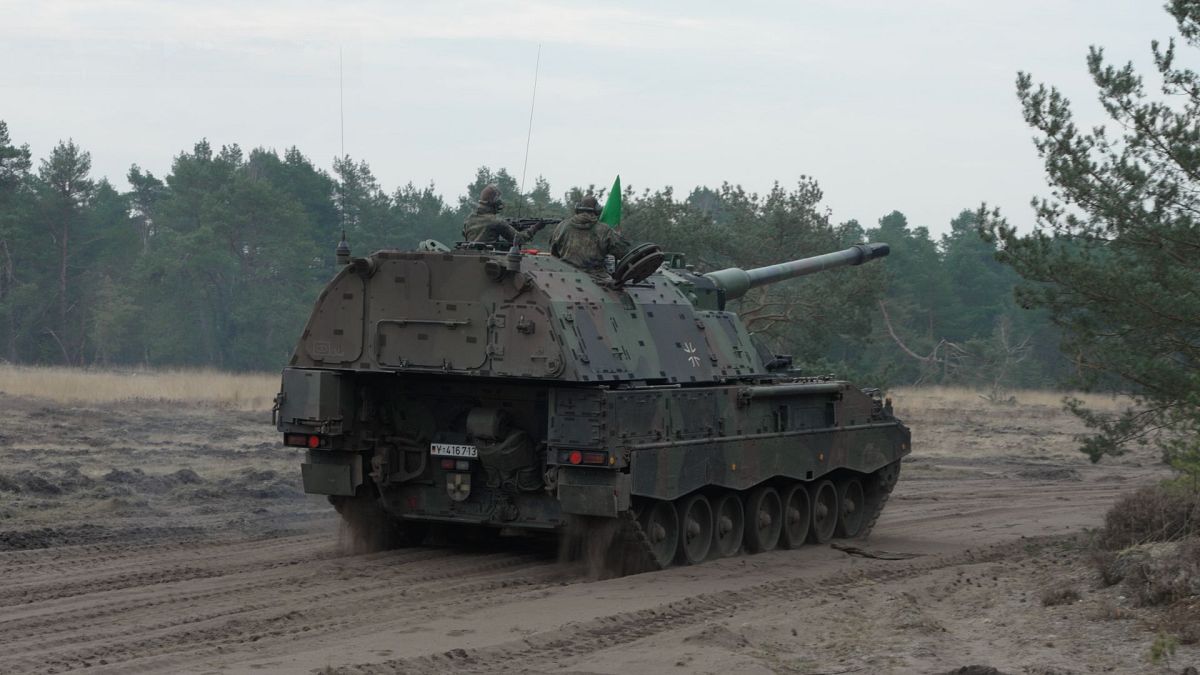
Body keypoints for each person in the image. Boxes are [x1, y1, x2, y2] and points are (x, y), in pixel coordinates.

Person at [549, 194, 631, 271]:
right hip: (596, 278)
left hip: (565, 276)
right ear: (597, 210)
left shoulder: (562, 226)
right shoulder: (604, 230)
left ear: (578, 208)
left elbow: (553, 253)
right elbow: (623, 252)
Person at [462, 185, 527, 245]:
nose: (500, 202)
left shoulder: (469, 219)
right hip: (489, 256)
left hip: (469, 255)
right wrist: (534, 227)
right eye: (498, 199)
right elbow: (520, 239)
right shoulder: (496, 221)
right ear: (494, 201)